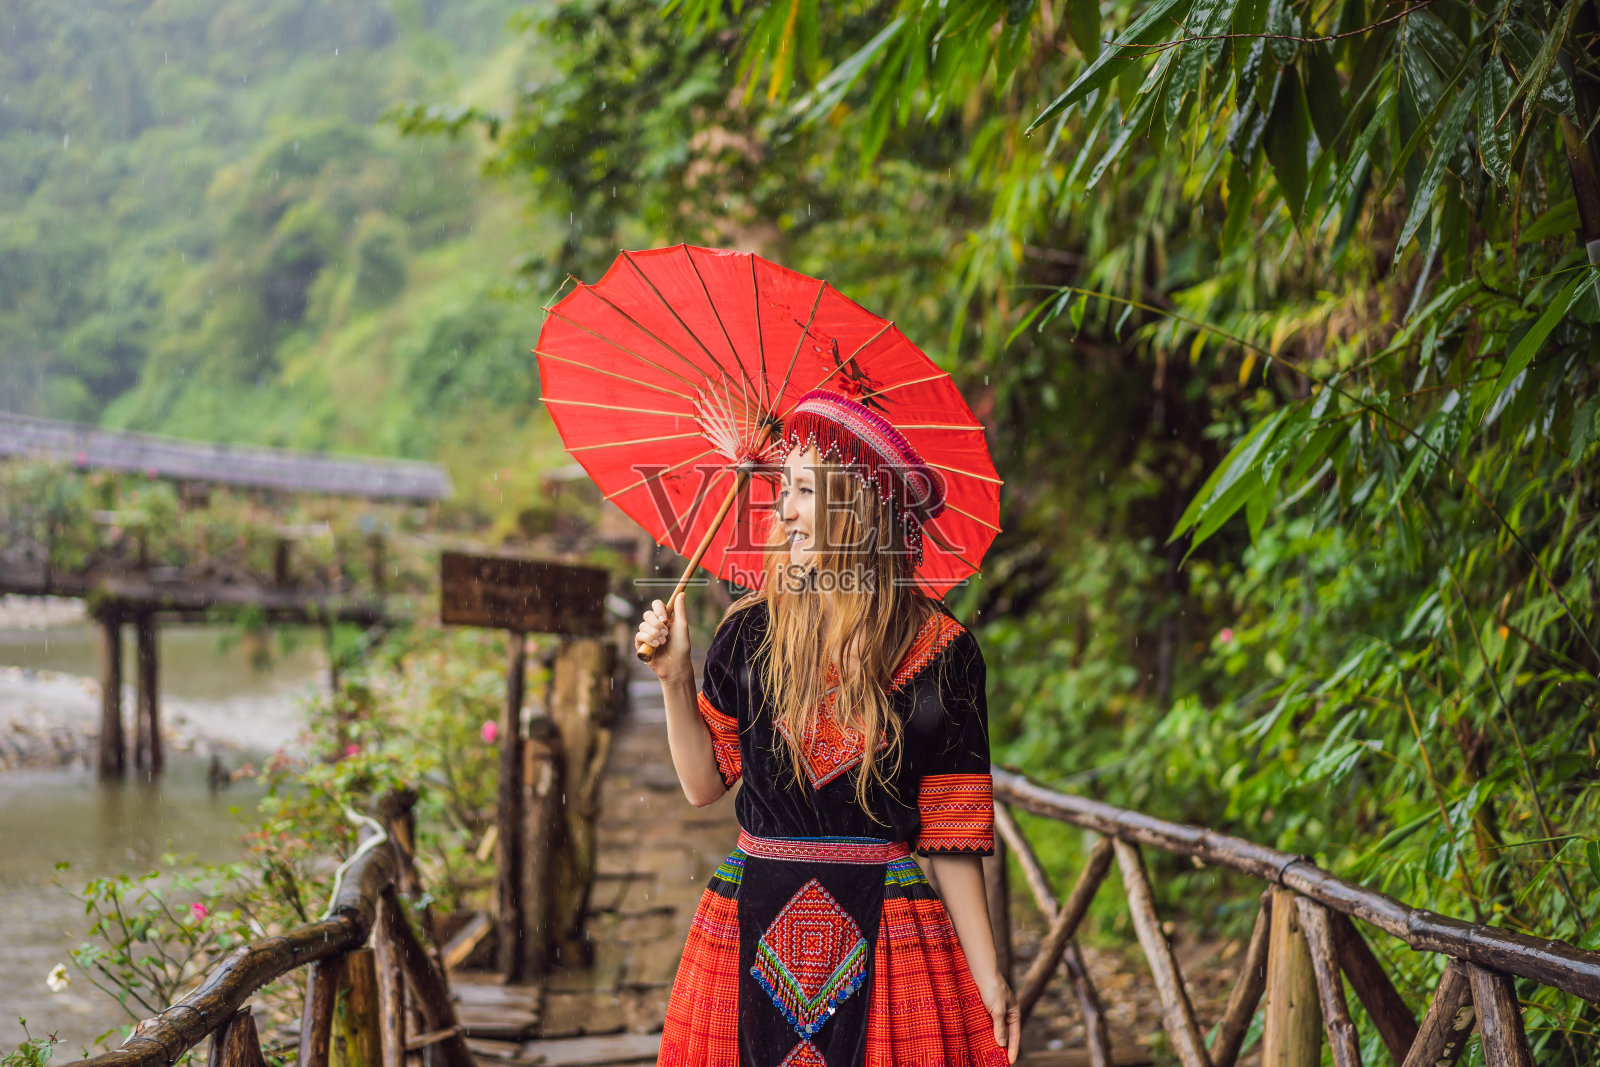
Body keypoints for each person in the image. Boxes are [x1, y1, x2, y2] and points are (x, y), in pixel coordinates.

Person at [635, 389, 1018, 1067]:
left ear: (858, 502)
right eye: (783, 488)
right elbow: (702, 784)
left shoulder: (945, 652)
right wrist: (674, 677)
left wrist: (989, 975)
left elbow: (952, 834)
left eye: (804, 489)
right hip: (751, 914)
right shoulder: (749, 631)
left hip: (891, 927)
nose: (783, 509)